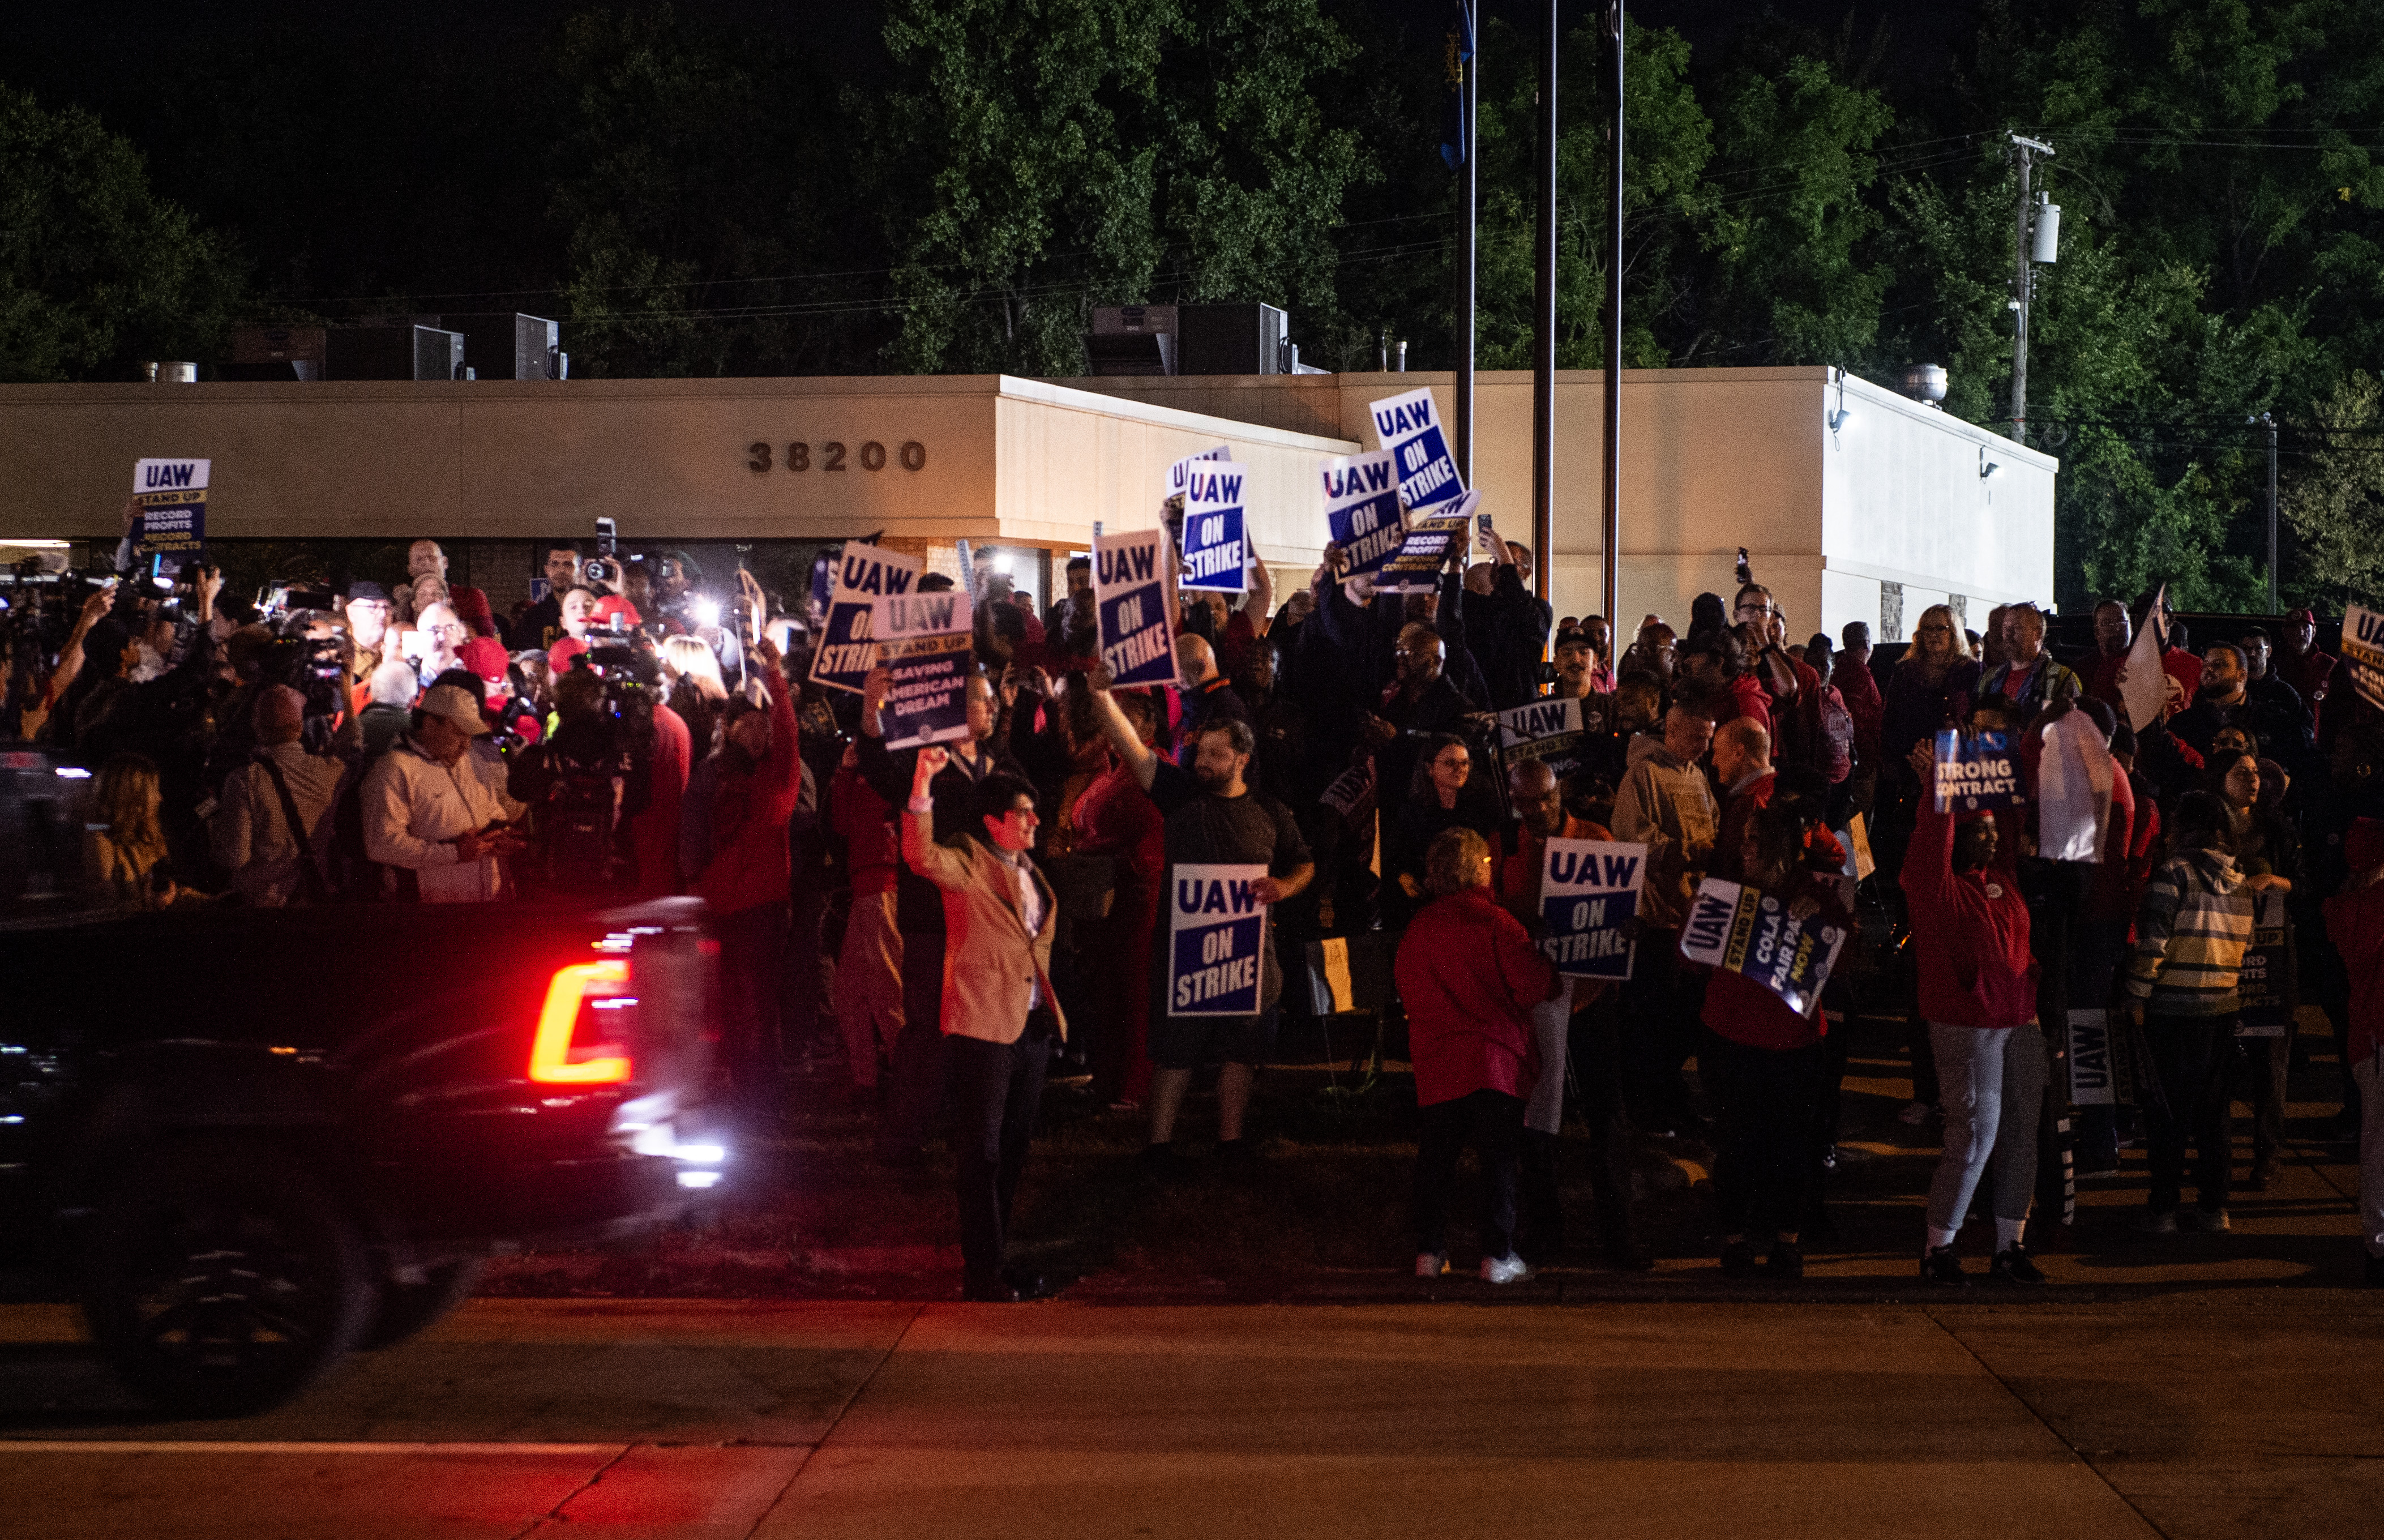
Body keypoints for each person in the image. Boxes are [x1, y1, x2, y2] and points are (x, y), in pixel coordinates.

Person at [1085, 685, 1312, 1173]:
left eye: (1215, 754)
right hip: (1186, 956)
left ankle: (1230, 1143)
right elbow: (1132, 750)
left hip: (1249, 958)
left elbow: (1304, 864)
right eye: (1199, 751)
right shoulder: (1179, 795)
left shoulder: (1270, 812)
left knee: (1240, 1052)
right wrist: (1100, 696)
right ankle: (1159, 1147)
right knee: (1176, 1052)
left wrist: (1284, 887)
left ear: (1243, 759)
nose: (1202, 761)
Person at [902, 744, 1066, 1302]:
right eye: (1024, 811)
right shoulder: (969, 859)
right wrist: (922, 780)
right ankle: (982, 1271)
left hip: (1028, 1027)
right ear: (993, 820)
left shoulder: (1032, 874)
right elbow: (920, 855)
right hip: (981, 1026)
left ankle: (997, 1257)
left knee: (1014, 1148)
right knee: (982, 1151)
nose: (1034, 819)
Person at [857, 661, 1029, 1163]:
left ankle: (969, 1129)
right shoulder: (921, 760)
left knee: (979, 1033)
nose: (992, 708)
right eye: (981, 699)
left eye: (994, 700)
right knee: (928, 1030)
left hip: (986, 924)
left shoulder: (999, 765)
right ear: (953, 707)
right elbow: (875, 766)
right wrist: (872, 708)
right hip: (933, 917)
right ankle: (902, 1140)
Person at [1901, 741, 2046, 1285]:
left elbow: (2009, 816)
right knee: (1975, 1136)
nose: (1988, 835)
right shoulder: (1932, 885)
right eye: (1976, 828)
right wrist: (1937, 787)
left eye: (1991, 828)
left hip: (2019, 1022)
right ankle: (1939, 1247)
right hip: (1968, 1026)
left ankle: (2011, 1244)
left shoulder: (2002, 880)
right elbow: (1933, 832)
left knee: (2019, 1136)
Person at [1497, 759, 1645, 1267]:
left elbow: (1626, 908)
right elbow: (1496, 917)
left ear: (1561, 795)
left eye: (1548, 798)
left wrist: (1628, 927)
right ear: (1514, 801)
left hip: (1591, 997)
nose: (1540, 809)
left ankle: (1619, 1237)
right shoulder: (1502, 850)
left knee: (1607, 1118)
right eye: (1528, 801)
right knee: (1538, 1120)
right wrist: (1523, 929)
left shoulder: (1597, 840)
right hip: (1537, 1003)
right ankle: (1545, 1230)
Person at [1398, 825, 1560, 1285]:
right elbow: (1531, 985)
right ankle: (1497, 1254)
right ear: (1478, 868)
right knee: (1498, 1161)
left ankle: (1428, 1253)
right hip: (1495, 1062)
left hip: (1439, 1061)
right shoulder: (1497, 923)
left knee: (1436, 1162)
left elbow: (1408, 990)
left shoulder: (1419, 928)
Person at [1700, 798, 1851, 1280]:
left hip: (1794, 1043)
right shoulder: (1726, 891)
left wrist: (1820, 916)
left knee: (1792, 1147)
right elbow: (1691, 956)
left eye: (1754, 841)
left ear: (1778, 849)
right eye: (1743, 840)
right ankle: (1735, 1240)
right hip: (1732, 1036)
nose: (1744, 849)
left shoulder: (1812, 893)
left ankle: (1786, 1240)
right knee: (1737, 1144)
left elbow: (1841, 961)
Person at [2124, 791, 2253, 1234]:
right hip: (2221, 1008)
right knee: (2214, 1114)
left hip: (2173, 1011)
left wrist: (2136, 997)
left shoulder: (2172, 875)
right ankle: (2214, 1208)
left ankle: (2162, 1210)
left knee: (2167, 1114)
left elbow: (2152, 945)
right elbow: (2245, 946)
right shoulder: (2240, 881)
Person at [684, 638, 798, 1127]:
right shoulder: (709, 777)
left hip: (764, 907)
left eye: (761, 726)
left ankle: (761, 1090)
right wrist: (694, 890)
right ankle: (740, 1083)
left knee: (760, 1001)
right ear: (728, 729)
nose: (755, 735)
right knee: (729, 1001)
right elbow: (691, 836)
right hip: (718, 904)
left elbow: (789, 732)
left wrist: (775, 672)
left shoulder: (779, 777)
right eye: (745, 725)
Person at [1610, 698, 1719, 1132]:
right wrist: (1678, 853)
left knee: (1682, 1019)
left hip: (1689, 914)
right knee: (1652, 1019)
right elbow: (1630, 833)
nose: (1703, 747)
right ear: (1671, 732)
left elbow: (1709, 820)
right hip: (1655, 915)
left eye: (1708, 740)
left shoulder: (1697, 775)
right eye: (1696, 738)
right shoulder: (1643, 774)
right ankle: (1646, 1105)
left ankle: (1668, 1096)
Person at [359, 683, 526, 902]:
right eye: (459, 733)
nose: (466, 745)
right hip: (434, 913)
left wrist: (502, 836)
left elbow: (492, 809)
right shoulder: (395, 769)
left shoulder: (470, 760)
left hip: (487, 904)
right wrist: (454, 853)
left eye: (470, 735)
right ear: (429, 725)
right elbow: (382, 845)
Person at [210, 685, 346, 907]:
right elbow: (355, 746)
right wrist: (347, 697)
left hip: (260, 904)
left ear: (257, 727)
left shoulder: (244, 781)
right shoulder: (331, 771)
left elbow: (235, 858)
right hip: (311, 895)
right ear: (300, 728)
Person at [2326, 819, 2384, 1285]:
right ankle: (2378, 1245)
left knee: (2377, 1146)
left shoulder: (2349, 906)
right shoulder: (2369, 908)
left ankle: (2378, 1244)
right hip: (2377, 1034)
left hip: (2371, 1036)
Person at [1386, 733, 1500, 928]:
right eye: (1450, 763)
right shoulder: (1412, 813)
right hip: (1429, 905)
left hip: (1472, 901)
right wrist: (1404, 876)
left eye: (1464, 763)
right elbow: (1396, 859)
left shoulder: (1478, 808)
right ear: (1430, 768)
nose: (1459, 770)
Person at [83, 752, 185, 910]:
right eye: (154, 791)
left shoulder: (147, 833)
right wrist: (151, 902)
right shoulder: (101, 840)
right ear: (134, 797)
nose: (160, 798)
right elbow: (105, 910)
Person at [511, 544, 583, 651]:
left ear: (580, 569)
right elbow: (523, 657)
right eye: (555, 564)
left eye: (568, 564)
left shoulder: (591, 612)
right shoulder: (532, 617)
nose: (561, 570)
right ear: (547, 569)